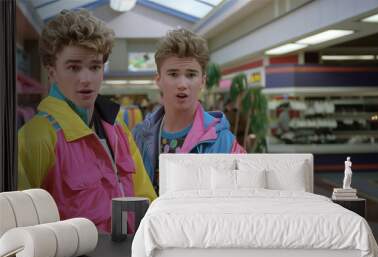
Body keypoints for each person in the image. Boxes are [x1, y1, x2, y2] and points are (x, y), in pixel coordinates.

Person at [18, 9, 156, 233]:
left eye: (94, 67)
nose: (86, 79)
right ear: (51, 71)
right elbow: (19, 230)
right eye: (73, 67)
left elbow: (146, 196)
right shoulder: (37, 136)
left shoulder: (118, 129)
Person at [133, 28, 245, 194]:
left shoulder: (224, 142)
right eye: (173, 74)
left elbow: (240, 199)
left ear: (202, 81)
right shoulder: (139, 137)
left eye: (191, 75)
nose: (182, 84)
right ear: (159, 80)